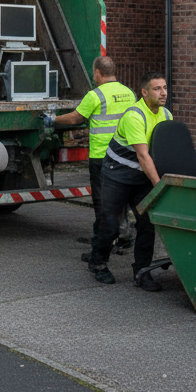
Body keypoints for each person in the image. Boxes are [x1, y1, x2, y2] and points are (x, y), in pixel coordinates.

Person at [87, 71, 171, 291]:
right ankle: (98, 263)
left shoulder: (166, 115)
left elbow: (164, 153)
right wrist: (161, 187)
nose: (163, 93)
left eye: (164, 88)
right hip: (117, 175)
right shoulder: (135, 116)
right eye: (157, 89)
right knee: (110, 224)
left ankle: (141, 273)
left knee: (147, 223)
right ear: (144, 92)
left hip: (141, 177)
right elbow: (143, 156)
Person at [47, 56, 136, 257]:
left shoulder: (96, 95)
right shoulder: (129, 93)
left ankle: (100, 246)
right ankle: (124, 237)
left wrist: (52, 120)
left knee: (102, 203)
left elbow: (76, 117)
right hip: (125, 155)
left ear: (97, 73)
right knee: (121, 199)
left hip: (102, 157)